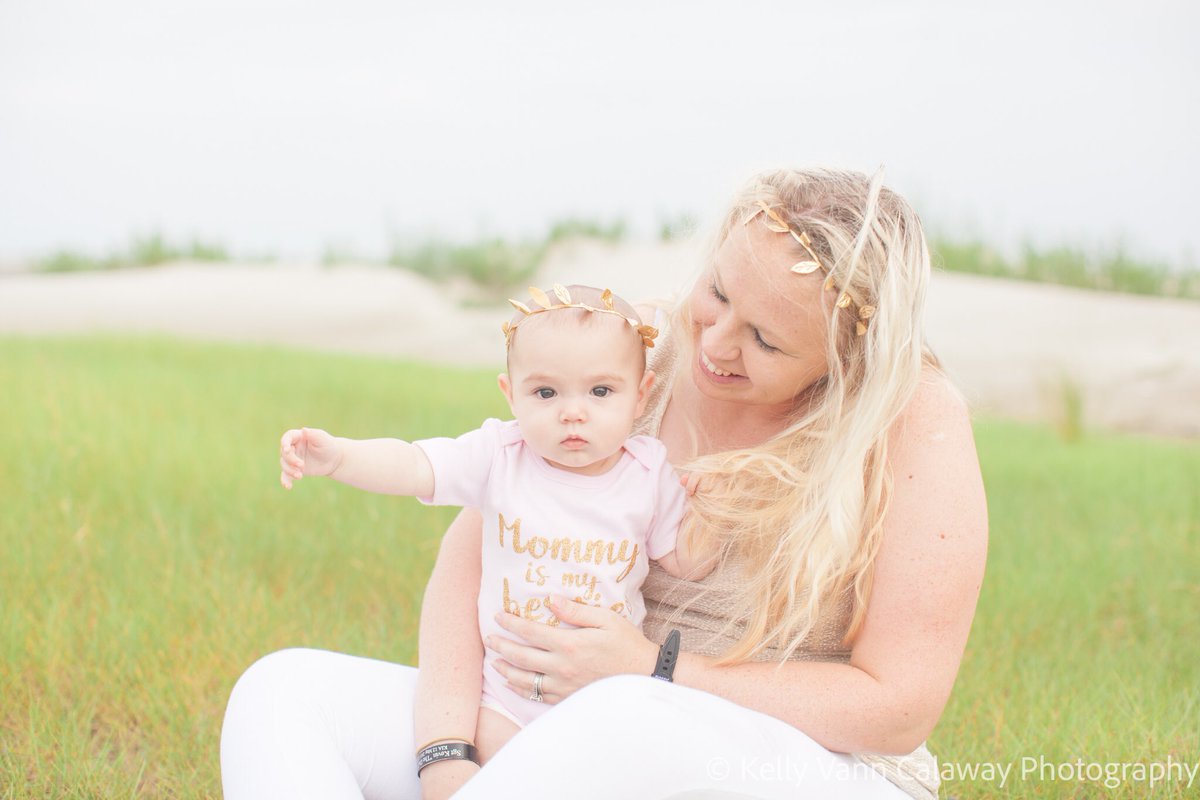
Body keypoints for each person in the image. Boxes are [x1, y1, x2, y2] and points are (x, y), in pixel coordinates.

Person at [221, 167, 988, 800]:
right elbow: (475, 557)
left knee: (628, 717)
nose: (715, 345)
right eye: (717, 295)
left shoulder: (915, 418)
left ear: (843, 360)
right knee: (283, 691)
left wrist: (655, 670)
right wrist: (445, 751)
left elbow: (897, 708)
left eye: (764, 339)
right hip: (569, 735)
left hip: (810, 768)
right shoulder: (630, 357)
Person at [271, 284, 711, 769]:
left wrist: (711, 515)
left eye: (600, 391)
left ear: (641, 395)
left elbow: (685, 560)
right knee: (502, 774)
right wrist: (341, 457)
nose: (572, 411)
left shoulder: (649, 474)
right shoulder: (500, 456)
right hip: (505, 697)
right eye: (545, 392)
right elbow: (417, 464)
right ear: (511, 394)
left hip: (604, 695)